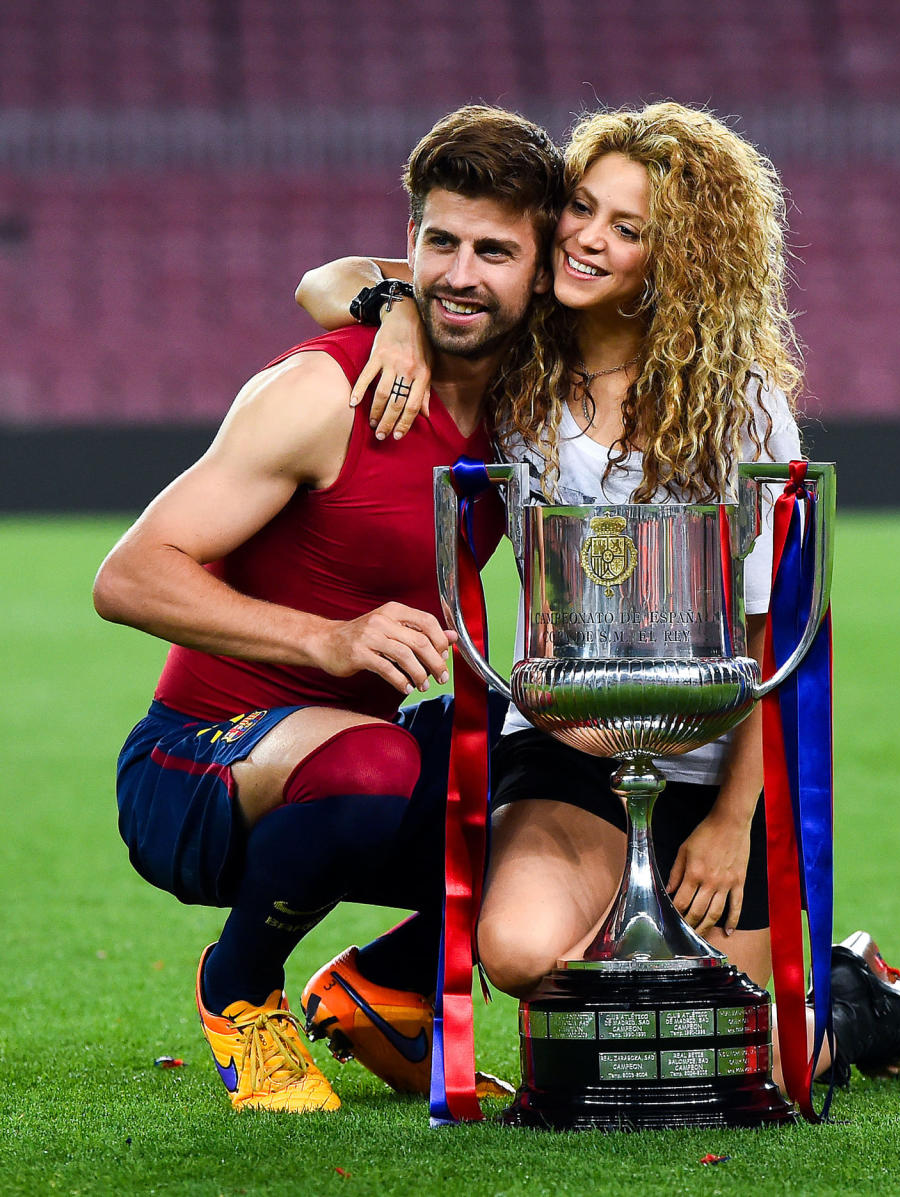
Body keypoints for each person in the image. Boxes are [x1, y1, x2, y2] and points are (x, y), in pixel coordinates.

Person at [294, 102, 900, 1093]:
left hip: (718, 752)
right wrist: (401, 314)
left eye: (628, 229)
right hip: (567, 742)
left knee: (759, 1066)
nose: (589, 237)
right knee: (519, 951)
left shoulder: (741, 399)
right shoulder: (514, 353)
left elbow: (775, 626)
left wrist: (730, 823)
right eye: (582, 208)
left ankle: (855, 996)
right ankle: (433, 964)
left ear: (677, 255)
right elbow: (323, 280)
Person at [93, 104, 564, 1113]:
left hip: (350, 755)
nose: (460, 275)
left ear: (540, 269)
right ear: (410, 245)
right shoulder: (327, 391)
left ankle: (384, 990)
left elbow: (337, 280)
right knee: (379, 761)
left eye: (494, 250)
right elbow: (129, 576)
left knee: (558, 781)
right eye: (439, 243)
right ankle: (239, 990)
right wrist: (329, 638)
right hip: (196, 769)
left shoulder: (525, 406)